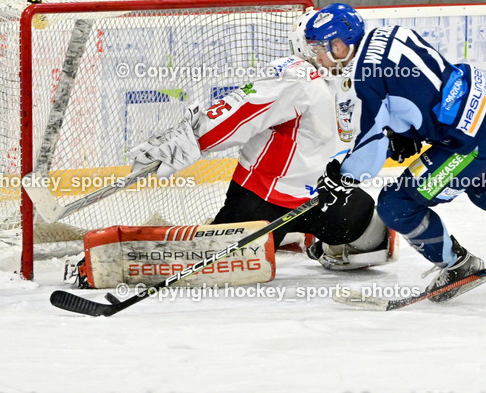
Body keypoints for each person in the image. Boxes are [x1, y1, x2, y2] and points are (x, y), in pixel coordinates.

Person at [300, 3, 486, 302]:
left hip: (470, 142)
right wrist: (405, 132)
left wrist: (342, 179)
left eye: (318, 48)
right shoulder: (387, 33)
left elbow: (369, 149)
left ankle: (459, 265)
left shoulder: (364, 78)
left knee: (397, 204)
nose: (316, 57)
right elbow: (420, 86)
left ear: (339, 45)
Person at [127, 26, 393, 272]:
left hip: (293, 202)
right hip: (295, 199)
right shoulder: (319, 77)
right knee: (373, 239)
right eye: (324, 46)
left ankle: (298, 233)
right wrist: (193, 138)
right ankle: (301, 235)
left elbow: (242, 112)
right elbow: (245, 110)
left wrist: (192, 138)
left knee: (374, 239)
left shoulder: (326, 78)